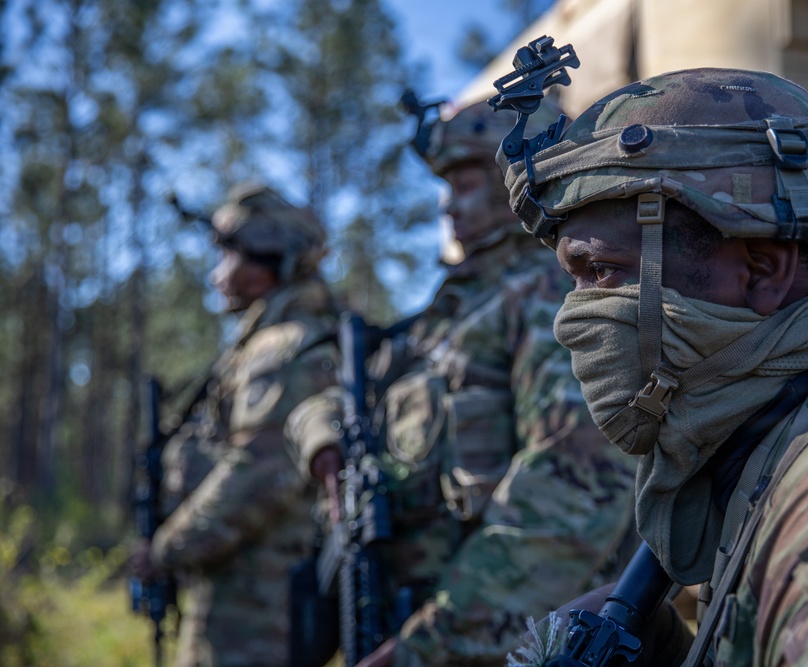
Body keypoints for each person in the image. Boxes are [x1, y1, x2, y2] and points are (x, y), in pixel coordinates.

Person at [494, 68, 808, 665]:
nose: (572, 319)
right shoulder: (775, 446)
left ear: (761, 268)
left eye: (603, 272)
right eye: (574, 282)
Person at [284, 99, 638, 666]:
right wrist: (322, 438)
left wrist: (430, 643)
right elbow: (342, 400)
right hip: (425, 617)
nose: (449, 205)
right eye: (447, 187)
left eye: (469, 184)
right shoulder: (445, 313)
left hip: (511, 635)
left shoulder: (552, 294)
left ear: (526, 178)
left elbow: (571, 491)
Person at [132, 182, 341, 667]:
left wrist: (165, 549)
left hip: (256, 609)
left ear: (264, 266)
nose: (215, 277)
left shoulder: (284, 348)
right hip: (242, 596)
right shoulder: (264, 345)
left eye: (227, 258)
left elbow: (259, 472)